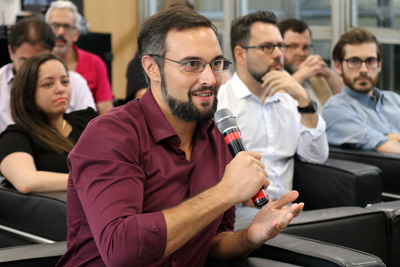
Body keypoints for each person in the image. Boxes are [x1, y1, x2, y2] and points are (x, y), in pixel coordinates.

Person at [56, 7, 303, 267]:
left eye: (216, 64)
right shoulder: (111, 135)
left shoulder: (217, 135)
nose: (210, 78)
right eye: (192, 64)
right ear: (152, 67)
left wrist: (249, 238)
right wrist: (225, 192)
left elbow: (212, 240)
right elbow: (121, 251)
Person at [218, 11, 328, 221]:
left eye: (280, 46)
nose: (278, 54)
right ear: (240, 54)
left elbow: (317, 156)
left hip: (288, 210)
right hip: (239, 214)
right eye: (267, 47)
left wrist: (304, 100)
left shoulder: (290, 99)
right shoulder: (222, 106)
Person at [0, 53, 97, 194]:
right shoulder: (15, 136)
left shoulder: (88, 120)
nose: (60, 89)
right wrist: (91, 180)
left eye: (64, 82)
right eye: (48, 84)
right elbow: (26, 181)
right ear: (27, 93)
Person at [0, 16, 96, 133]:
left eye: (39, 61)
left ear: (51, 52)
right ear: (11, 52)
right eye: (24, 60)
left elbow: (92, 130)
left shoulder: (74, 82)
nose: (31, 70)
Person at [323, 28, 400, 153]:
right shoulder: (335, 109)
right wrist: (387, 140)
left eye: (370, 61)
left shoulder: (394, 100)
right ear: (338, 66)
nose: (364, 69)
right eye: (354, 61)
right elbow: (388, 148)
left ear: (379, 65)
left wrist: (389, 138)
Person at [45, 0, 114, 114]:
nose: (60, 32)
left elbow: (106, 110)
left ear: (76, 34)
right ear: (46, 31)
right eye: (55, 26)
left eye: (67, 26)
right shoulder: (37, 64)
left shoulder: (95, 63)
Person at [278, 18, 343, 114]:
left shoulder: (314, 73)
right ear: (279, 47)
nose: (301, 53)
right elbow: (276, 99)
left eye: (305, 47)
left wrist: (328, 74)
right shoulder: (272, 73)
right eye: (293, 46)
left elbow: (349, 96)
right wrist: (301, 75)